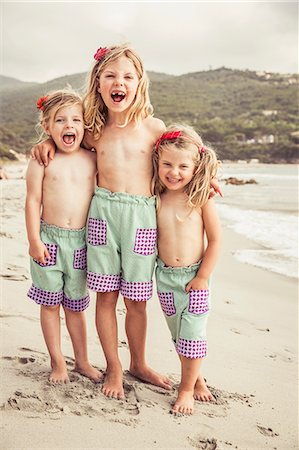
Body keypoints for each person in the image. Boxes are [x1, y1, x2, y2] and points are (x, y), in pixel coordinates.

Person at [30, 44, 173, 399]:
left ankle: (138, 362)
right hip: (103, 218)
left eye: (127, 76)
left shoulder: (154, 128)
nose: (118, 82)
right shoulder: (94, 131)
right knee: (106, 296)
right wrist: (46, 142)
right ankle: (113, 366)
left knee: (137, 299)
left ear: (140, 83)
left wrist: (207, 175)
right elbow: (68, 138)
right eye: (110, 75)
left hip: (141, 220)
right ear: (98, 83)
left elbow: (183, 158)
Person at [25, 90, 101, 384]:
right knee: (50, 304)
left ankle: (82, 361)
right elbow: (33, 201)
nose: (69, 126)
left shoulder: (92, 159)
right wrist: (34, 240)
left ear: (84, 125)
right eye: (60, 121)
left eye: (75, 120)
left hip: (81, 242)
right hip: (49, 240)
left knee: (76, 306)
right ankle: (57, 362)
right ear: (47, 127)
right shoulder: (42, 160)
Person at [152, 124, 222, 415]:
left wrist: (203, 276)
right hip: (165, 278)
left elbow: (216, 239)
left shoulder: (200, 198)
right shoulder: (156, 195)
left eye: (183, 166)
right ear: (157, 163)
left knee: (193, 335)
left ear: (195, 168)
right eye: (167, 164)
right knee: (180, 336)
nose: (174, 172)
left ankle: (186, 390)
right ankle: (198, 379)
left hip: (194, 278)